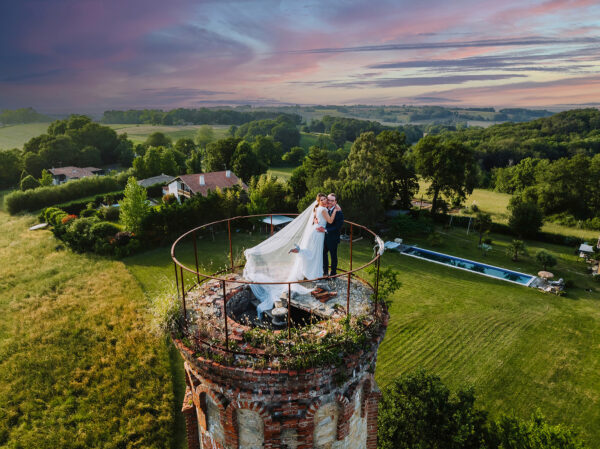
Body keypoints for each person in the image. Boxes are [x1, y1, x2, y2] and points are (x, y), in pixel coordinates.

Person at [243, 193, 338, 319]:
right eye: (322, 200)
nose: (325, 201)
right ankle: (312, 273)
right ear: (319, 201)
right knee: (314, 255)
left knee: (313, 255)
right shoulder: (324, 209)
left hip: (315, 232)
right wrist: (336, 210)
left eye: (325, 199)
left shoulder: (317, 209)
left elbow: (319, 219)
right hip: (317, 235)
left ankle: (303, 259)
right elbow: (330, 220)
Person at [319, 193, 344, 276]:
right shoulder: (325, 208)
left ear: (335, 202)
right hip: (323, 237)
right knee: (323, 254)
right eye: (328, 200)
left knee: (333, 256)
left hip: (333, 238)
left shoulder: (339, 212)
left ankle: (333, 273)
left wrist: (326, 230)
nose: (329, 202)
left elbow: (338, 227)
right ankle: (325, 271)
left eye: (332, 201)